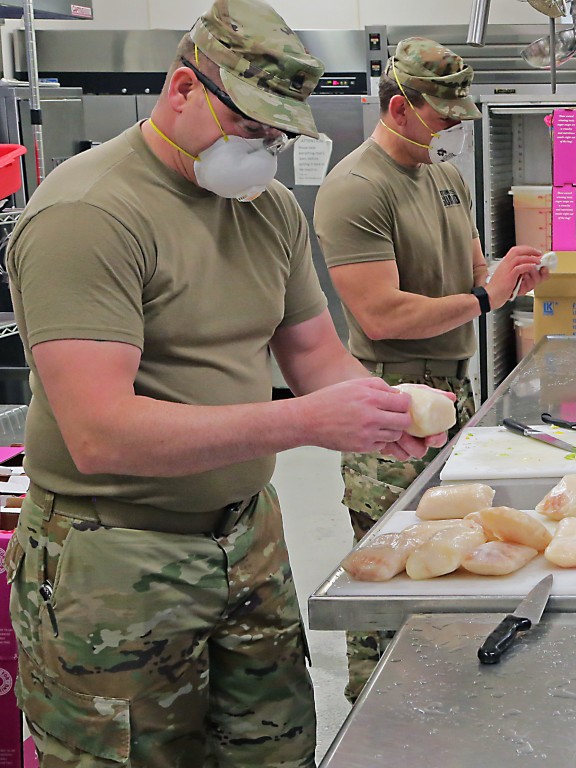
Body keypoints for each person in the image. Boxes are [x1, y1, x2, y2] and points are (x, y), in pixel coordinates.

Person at [2, 1, 453, 764]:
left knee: (271, 752)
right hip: (114, 559)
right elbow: (99, 432)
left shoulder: (267, 208)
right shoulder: (89, 215)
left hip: (246, 538)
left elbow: (312, 352)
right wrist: (305, 423)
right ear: (183, 90)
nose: (264, 152)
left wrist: (383, 410)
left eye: (279, 136)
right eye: (250, 128)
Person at [314, 37, 547, 702]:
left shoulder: (444, 176)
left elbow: (476, 270)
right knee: (387, 567)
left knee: (447, 554)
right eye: (441, 115)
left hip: (454, 392)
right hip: (389, 400)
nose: (451, 127)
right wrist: (483, 299)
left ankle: (439, 703)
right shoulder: (355, 189)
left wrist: (510, 276)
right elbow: (381, 314)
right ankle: (375, 710)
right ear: (398, 105)